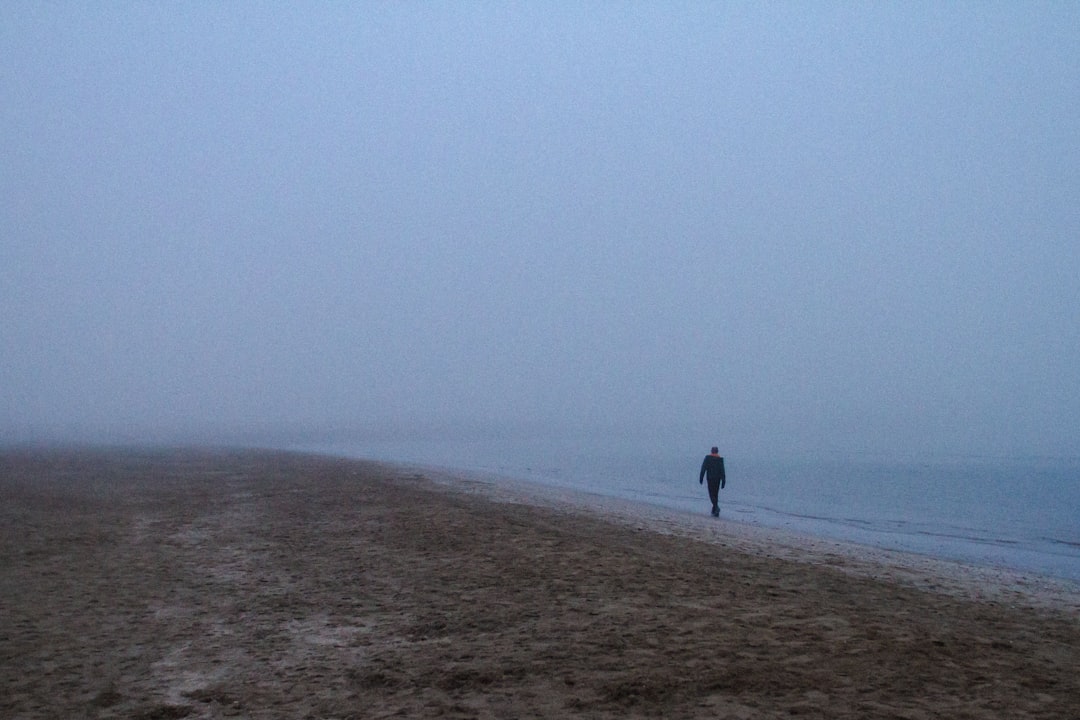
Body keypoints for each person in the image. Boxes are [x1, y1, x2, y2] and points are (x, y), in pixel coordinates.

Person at [699, 446, 726, 517]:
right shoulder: (720, 459)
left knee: (711, 494)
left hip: (710, 478)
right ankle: (714, 510)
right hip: (718, 479)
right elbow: (722, 471)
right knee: (715, 494)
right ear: (717, 451)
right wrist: (723, 481)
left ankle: (716, 507)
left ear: (711, 451)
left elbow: (703, 468)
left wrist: (701, 477)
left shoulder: (708, 458)